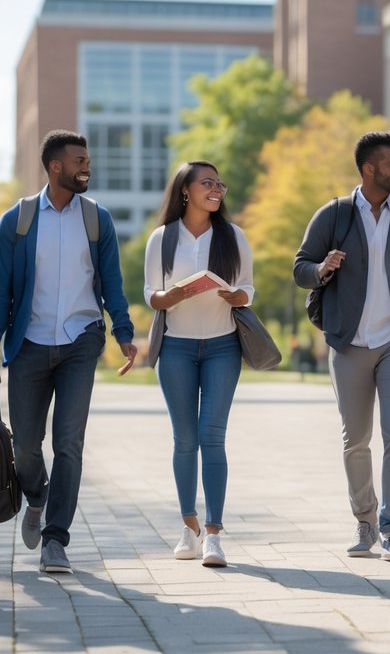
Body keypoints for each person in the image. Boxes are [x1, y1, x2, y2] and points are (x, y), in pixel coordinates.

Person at [0, 130, 137, 575]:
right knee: (26, 445)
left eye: (88, 160)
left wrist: (123, 331)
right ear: (55, 167)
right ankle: (35, 496)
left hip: (80, 340)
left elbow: (111, 282)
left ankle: (56, 539)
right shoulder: (18, 221)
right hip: (28, 344)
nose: (87, 167)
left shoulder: (96, 220)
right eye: (80, 161)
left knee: (69, 441)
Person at [293, 131, 390, 562]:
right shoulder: (334, 215)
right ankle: (365, 521)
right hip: (349, 341)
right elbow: (300, 267)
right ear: (368, 168)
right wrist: (322, 268)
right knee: (355, 439)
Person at [144, 161, 254, 567]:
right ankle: (188, 526)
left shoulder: (233, 236)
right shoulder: (162, 238)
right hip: (176, 349)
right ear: (185, 190)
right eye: (207, 183)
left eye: (219, 183)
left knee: (213, 436)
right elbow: (149, 292)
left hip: (223, 347)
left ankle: (213, 535)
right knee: (184, 439)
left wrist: (241, 297)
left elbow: (248, 286)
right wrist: (166, 298)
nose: (216, 189)